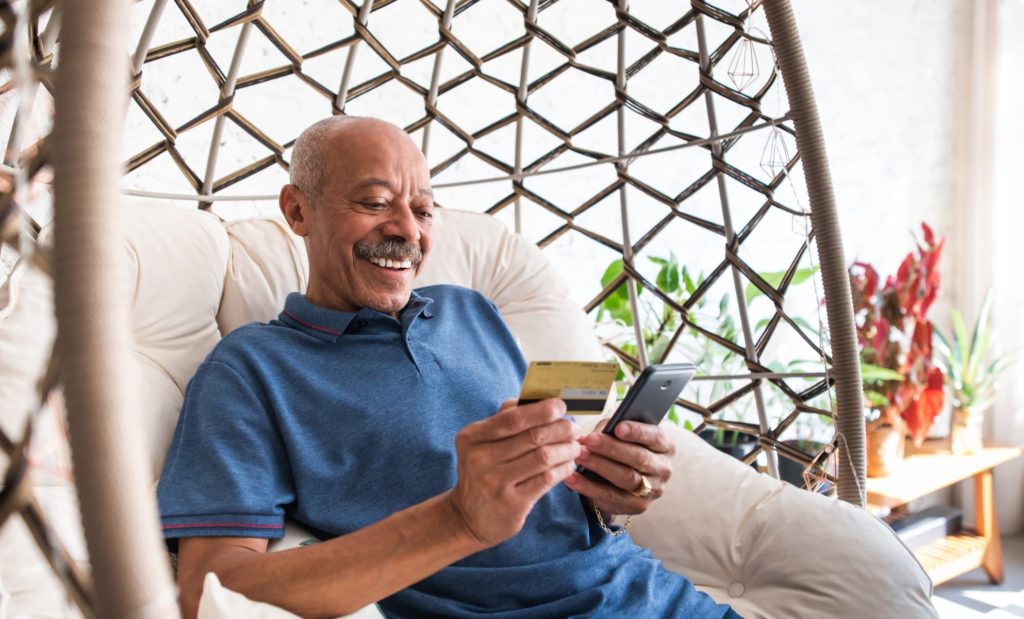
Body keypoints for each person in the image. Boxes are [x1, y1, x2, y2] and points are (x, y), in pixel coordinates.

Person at [157, 116, 738, 619]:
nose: (408, 231)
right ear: (298, 210)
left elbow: (545, 495)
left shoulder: (470, 309)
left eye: (423, 210)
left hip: (662, 597)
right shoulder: (251, 369)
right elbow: (211, 592)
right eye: (375, 202)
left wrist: (611, 491)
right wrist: (459, 519)